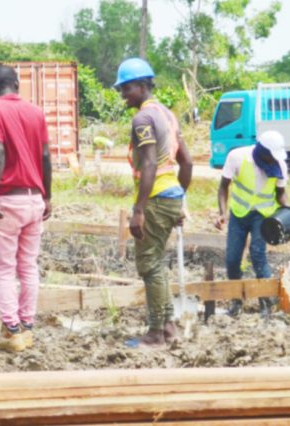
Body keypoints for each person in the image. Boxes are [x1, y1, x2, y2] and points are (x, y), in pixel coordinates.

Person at [115, 58, 193, 347]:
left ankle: (156, 333)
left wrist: (138, 210)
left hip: (156, 198)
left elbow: (148, 164)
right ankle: (168, 328)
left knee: (150, 266)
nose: (123, 94)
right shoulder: (168, 116)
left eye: (127, 88)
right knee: (156, 265)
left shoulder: (143, 119)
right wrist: (180, 197)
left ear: (143, 86)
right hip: (169, 195)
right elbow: (187, 162)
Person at [0, 65, 52, 353]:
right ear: (17, 84)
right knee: (28, 266)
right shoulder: (37, 112)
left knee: (5, 267)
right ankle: (26, 326)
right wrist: (48, 196)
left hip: (9, 200)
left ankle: (11, 331)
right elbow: (46, 155)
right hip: (35, 198)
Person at [214, 131, 289, 318]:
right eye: (271, 155)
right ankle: (236, 301)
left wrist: (289, 212)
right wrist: (223, 213)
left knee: (258, 254)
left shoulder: (279, 166)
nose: (274, 159)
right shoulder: (238, 157)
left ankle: (266, 303)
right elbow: (223, 186)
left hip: (263, 216)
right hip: (239, 214)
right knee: (232, 259)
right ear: (262, 151)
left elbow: (281, 193)